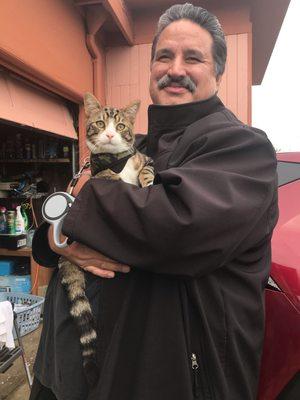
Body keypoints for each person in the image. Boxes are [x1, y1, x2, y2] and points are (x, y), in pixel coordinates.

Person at [29, 3, 278, 400]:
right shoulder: (140, 145)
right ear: (151, 71)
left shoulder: (242, 147)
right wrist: (63, 241)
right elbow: (54, 231)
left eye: (193, 58)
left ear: (217, 71)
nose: (175, 69)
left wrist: (85, 202)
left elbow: (178, 227)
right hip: (70, 372)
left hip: (164, 377)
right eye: (164, 56)